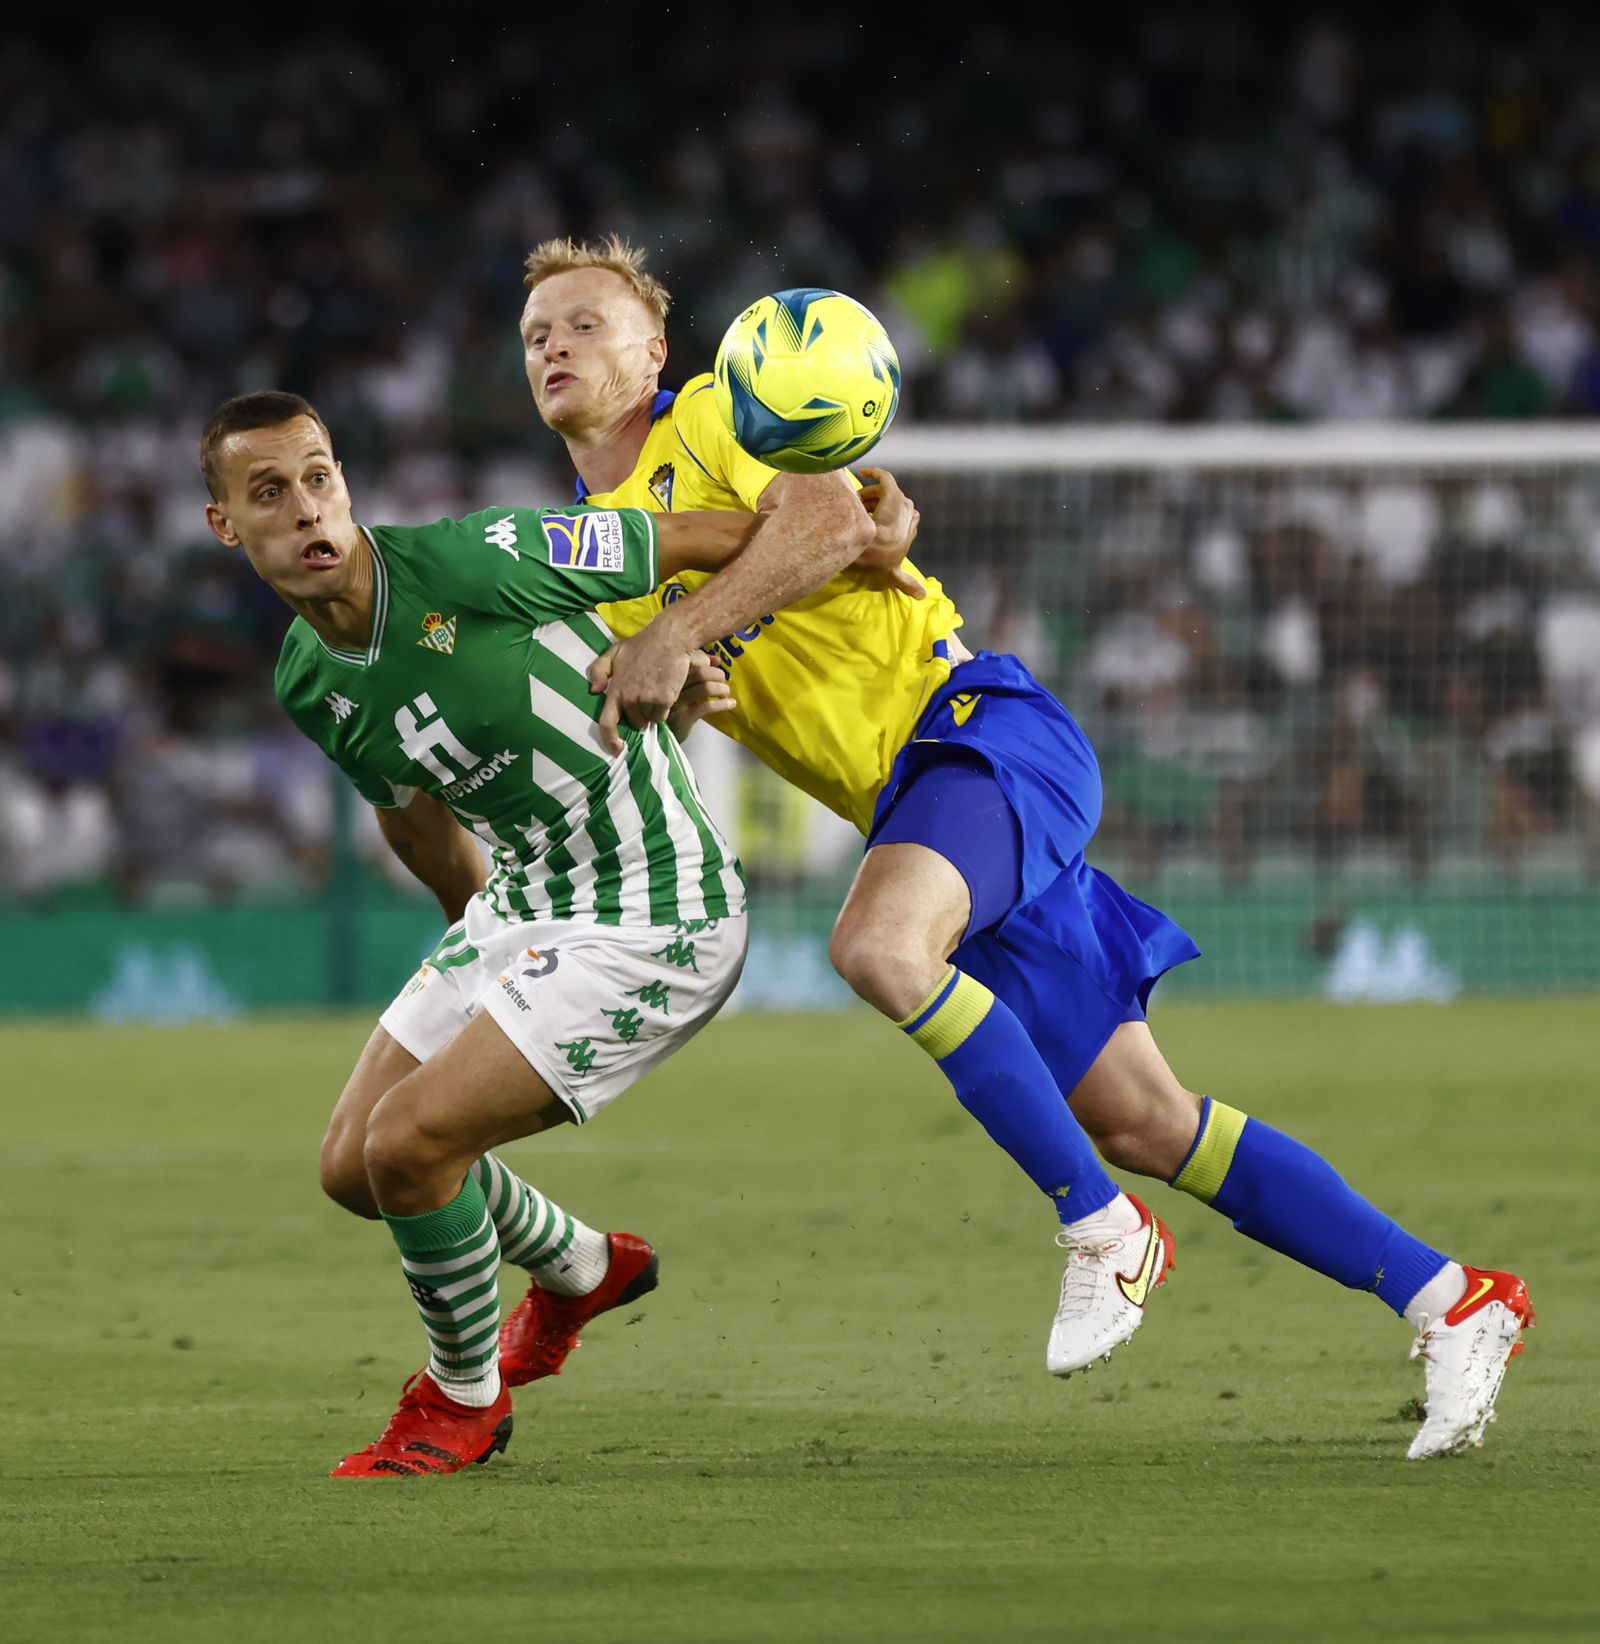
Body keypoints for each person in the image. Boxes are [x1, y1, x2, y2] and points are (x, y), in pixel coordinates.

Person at [515, 237, 1534, 1460]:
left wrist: (688, 626)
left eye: (584, 322)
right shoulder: (589, 553)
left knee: (878, 947)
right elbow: (701, 673)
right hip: (919, 808)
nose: (555, 344)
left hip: (976, 732)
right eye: (536, 334)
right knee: (1147, 1122)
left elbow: (834, 514)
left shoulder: (721, 418)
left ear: (655, 351)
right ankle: (1452, 1299)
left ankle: (1103, 1231)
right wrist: (683, 685)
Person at [199, 389, 872, 1477]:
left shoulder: (482, 556)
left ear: (345, 481)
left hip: (657, 906)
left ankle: (463, 1402)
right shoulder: (307, 678)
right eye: (268, 492)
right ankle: (585, 1268)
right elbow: (411, 814)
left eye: (318, 477)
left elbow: (741, 535)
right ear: (225, 524)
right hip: (523, 903)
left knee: (408, 1145)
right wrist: (474, 951)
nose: (306, 508)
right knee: (353, 1167)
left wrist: (703, 619)